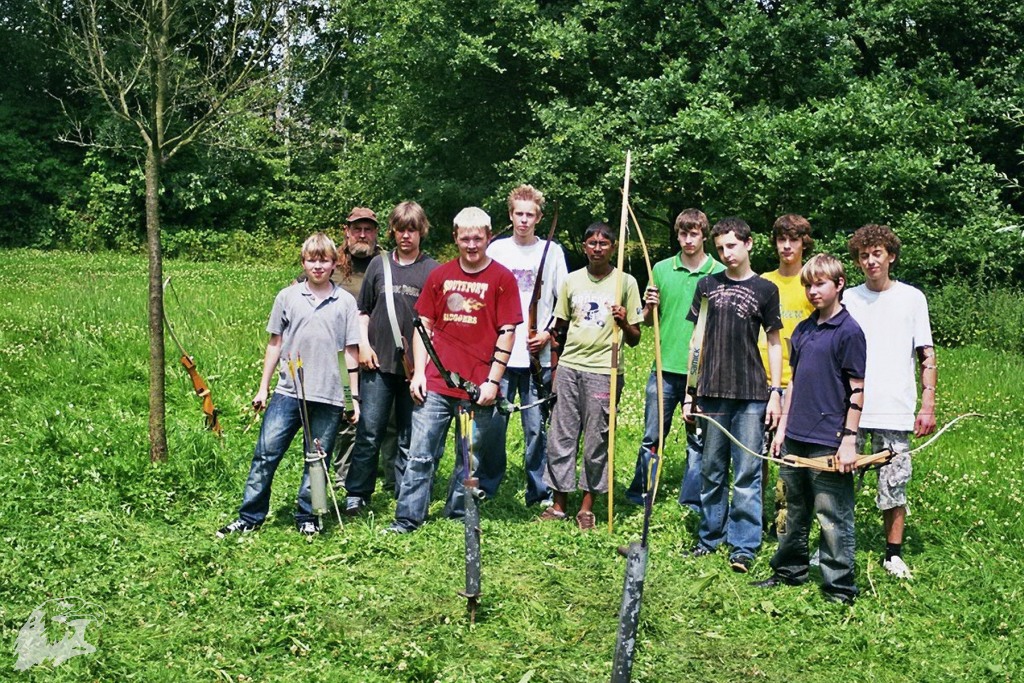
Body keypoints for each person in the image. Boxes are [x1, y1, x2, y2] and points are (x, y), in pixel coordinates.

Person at [385, 207, 522, 534]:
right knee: (420, 454)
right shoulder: (440, 275)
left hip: (478, 390)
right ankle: (407, 518)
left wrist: (493, 381)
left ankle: (458, 514)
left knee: (469, 459)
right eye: (465, 238)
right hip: (435, 385)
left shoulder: (502, 279)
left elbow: (507, 331)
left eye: (478, 238)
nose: (472, 245)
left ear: (489, 238)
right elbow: (424, 326)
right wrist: (419, 373)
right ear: (455, 238)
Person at [217, 232, 361, 538]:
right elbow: (275, 343)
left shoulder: (345, 302)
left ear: (335, 263)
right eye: (312, 260)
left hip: (330, 395)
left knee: (317, 460)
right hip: (288, 392)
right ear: (303, 262)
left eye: (324, 260)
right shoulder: (287, 296)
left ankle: (311, 515)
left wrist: (352, 399)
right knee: (266, 454)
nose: (318, 266)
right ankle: (250, 516)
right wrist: (262, 387)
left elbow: (349, 352)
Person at [752, 254, 866, 604]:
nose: (813, 291)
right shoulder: (802, 330)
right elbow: (794, 383)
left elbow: (858, 390)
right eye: (808, 285)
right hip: (795, 437)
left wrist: (848, 441)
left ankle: (839, 587)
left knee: (832, 515)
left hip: (829, 440)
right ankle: (789, 570)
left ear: (839, 284)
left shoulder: (849, 332)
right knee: (789, 509)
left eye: (820, 284)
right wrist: (783, 429)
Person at [685, 217, 783, 573]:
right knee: (711, 470)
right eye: (721, 247)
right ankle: (709, 537)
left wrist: (775, 392)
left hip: (751, 395)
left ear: (749, 244)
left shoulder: (765, 290)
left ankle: (743, 545)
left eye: (732, 246)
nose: (726, 254)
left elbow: (773, 343)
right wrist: (689, 393)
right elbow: (696, 341)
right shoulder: (707, 286)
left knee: (746, 472)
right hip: (711, 392)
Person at [845, 224, 937, 579]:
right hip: (852, 407)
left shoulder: (912, 298)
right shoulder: (849, 298)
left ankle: (893, 553)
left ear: (891, 256)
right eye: (864, 255)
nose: (870, 261)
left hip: (895, 407)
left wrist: (927, 405)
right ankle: (837, 547)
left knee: (894, 482)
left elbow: (926, 354)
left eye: (877, 254)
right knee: (841, 480)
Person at [539, 222, 643, 530]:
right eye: (592, 243)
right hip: (571, 368)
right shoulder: (571, 282)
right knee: (561, 436)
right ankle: (559, 503)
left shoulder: (625, 282)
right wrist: (553, 359)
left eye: (604, 243)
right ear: (584, 247)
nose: (597, 248)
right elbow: (559, 327)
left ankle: (587, 506)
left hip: (604, 370)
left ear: (613, 247)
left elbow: (636, 337)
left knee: (597, 440)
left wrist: (623, 322)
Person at [624, 208, 724, 510]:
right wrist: (648, 307)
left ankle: (693, 499)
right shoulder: (662, 269)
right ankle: (641, 492)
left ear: (703, 235)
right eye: (683, 233)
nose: (688, 240)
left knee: (698, 439)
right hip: (664, 366)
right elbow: (645, 320)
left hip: (702, 371)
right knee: (653, 434)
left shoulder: (718, 272)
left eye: (694, 234)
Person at [344, 202, 439, 515]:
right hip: (377, 363)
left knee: (408, 436)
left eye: (412, 229)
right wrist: (364, 348)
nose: (406, 235)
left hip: (416, 370)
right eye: (401, 229)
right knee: (370, 431)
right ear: (393, 231)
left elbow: (436, 324)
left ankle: (405, 492)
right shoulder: (379, 265)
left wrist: (425, 368)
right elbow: (363, 312)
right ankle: (357, 492)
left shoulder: (432, 270)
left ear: (421, 231)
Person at [486, 184, 568, 507]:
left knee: (536, 428)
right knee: (495, 427)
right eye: (518, 214)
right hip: (502, 356)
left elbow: (564, 300)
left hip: (537, 356)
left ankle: (540, 491)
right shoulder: (496, 251)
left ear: (539, 217)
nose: (523, 220)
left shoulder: (553, 252)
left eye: (529, 215)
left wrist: (548, 335)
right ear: (510, 215)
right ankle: (489, 486)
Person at [758, 214, 816, 534]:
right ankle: (755, 520)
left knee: (787, 459)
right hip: (760, 381)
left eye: (793, 240)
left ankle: (783, 525)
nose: (786, 246)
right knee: (758, 456)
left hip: (797, 386)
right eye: (781, 239)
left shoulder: (811, 283)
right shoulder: (764, 281)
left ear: (804, 244)